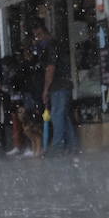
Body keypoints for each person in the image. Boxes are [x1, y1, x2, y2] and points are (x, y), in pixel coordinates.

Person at [34, 22, 78, 154]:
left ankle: (58, 145)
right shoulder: (53, 45)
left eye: (39, 34)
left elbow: (50, 69)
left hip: (59, 85)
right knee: (63, 115)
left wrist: (46, 89)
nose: (38, 38)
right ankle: (72, 145)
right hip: (63, 84)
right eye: (36, 36)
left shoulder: (51, 46)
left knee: (57, 114)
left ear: (46, 33)